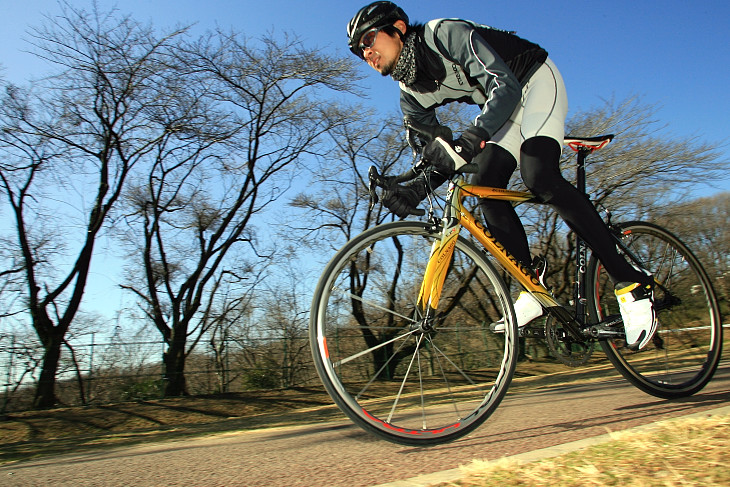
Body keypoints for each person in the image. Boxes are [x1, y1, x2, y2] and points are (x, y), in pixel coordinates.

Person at [347, 2, 658, 350]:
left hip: (532, 80)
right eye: (360, 50)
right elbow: (440, 156)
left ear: (399, 28)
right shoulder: (410, 96)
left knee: (538, 175)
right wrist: (414, 191)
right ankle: (533, 288)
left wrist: (469, 140)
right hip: (503, 111)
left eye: (370, 38)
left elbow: (504, 85)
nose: (367, 52)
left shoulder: (442, 34)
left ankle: (632, 285)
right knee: (482, 187)